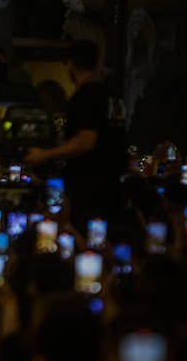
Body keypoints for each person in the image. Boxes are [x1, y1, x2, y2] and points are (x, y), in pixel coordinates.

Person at [25, 39, 125, 224]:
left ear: (71, 64)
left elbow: (85, 141)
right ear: (97, 62)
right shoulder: (112, 95)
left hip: (89, 190)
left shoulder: (86, 96)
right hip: (113, 187)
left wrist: (45, 155)